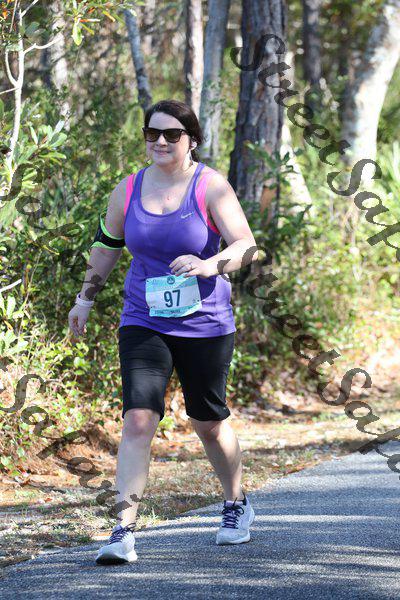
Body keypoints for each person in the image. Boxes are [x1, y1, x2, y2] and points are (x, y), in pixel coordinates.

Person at [68, 99, 259, 566]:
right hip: (144, 318)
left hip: (204, 322)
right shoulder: (129, 188)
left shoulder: (210, 186)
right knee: (138, 419)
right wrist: (85, 298)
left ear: (191, 140)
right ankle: (122, 531)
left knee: (208, 423)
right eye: (152, 133)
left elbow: (247, 247)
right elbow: (107, 246)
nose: (160, 142)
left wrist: (209, 264)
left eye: (172, 134)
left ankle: (236, 502)